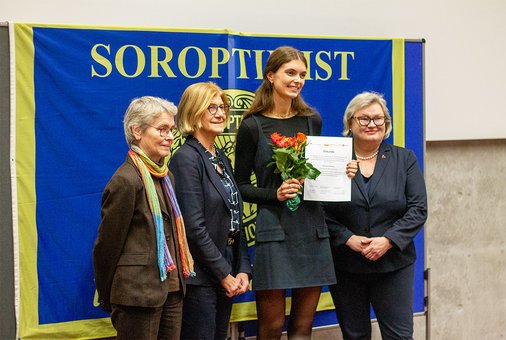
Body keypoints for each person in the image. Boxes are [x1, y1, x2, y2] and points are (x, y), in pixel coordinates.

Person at [234, 46, 357, 339]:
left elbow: (317, 174)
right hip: (273, 232)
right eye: (290, 73)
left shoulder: (311, 120)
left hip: (311, 230)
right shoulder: (252, 126)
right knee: (271, 327)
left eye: (302, 74)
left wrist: (342, 173)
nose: (297, 79)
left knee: (303, 328)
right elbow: (239, 187)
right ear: (270, 76)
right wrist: (273, 194)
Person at [324, 91, 428, 340]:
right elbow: (318, 210)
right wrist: (346, 237)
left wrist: (388, 240)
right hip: (346, 265)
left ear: (386, 124)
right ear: (350, 123)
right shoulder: (332, 158)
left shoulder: (404, 159)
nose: (372, 124)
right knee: (355, 335)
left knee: (399, 336)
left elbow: (418, 209)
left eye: (378, 119)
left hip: (393, 263)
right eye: (364, 119)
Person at [93, 96, 195, 340]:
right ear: (136, 131)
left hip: (171, 290)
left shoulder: (166, 176)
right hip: (136, 295)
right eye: (162, 129)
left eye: (171, 130)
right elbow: (107, 245)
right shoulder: (126, 180)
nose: (170, 136)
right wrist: (109, 295)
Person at [168, 82, 251, 340]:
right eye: (211, 108)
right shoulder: (186, 158)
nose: (220, 113)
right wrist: (223, 273)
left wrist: (243, 270)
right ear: (193, 114)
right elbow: (193, 228)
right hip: (201, 279)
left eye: (222, 107)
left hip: (225, 273)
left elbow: (236, 216)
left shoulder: (219, 157)